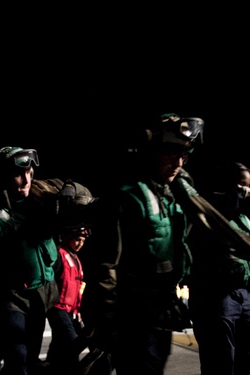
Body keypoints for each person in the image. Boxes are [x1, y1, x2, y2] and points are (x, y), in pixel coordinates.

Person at [80, 113, 202, 374]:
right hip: (132, 313)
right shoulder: (127, 196)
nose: (178, 162)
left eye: (184, 154)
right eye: (171, 152)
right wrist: (109, 318)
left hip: (161, 309)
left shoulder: (173, 197)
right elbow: (105, 263)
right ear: (151, 149)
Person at [0, 146, 96, 375]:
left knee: (30, 359)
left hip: (41, 297)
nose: (26, 180)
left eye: (30, 173)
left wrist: (71, 189)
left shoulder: (42, 194)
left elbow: (86, 195)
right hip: (10, 298)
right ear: (3, 176)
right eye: (18, 174)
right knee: (18, 357)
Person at [185, 161, 250, 375]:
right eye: (241, 186)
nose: (247, 191)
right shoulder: (208, 210)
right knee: (219, 360)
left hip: (243, 291)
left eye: (248, 185)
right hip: (215, 293)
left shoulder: (244, 218)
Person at [45, 225, 90, 375]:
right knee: (72, 341)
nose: (80, 244)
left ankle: (52, 366)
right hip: (58, 307)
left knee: (60, 343)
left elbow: (78, 286)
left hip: (72, 311)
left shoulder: (76, 258)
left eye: (83, 241)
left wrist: (78, 309)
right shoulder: (60, 254)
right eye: (77, 240)